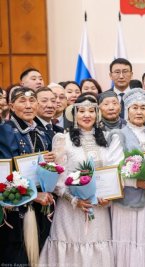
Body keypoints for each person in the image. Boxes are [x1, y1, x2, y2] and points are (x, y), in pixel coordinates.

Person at [39, 94, 124, 267]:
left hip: (98, 208)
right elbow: (58, 178)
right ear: (74, 114)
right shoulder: (63, 139)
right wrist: (75, 200)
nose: (87, 115)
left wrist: (108, 195)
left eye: (91, 111)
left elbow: (114, 171)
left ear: (97, 114)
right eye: (82, 111)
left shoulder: (108, 139)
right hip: (70, 210)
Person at [0, 87, 54, 265]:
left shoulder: (42, 132)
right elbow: (5, 175)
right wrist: (33, 195)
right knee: (17, 258)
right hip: (15, 210)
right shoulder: (5, 132)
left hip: (41, 209)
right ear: (11, 106)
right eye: (22, 101)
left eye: (32, 101)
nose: (29, 105)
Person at [110, 88, 145, 267]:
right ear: (127, 111)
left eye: (143, 108)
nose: (139, 111)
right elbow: (113, 170)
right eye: (134, 107)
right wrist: (135, 182)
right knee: (127, 240)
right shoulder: (119, 135)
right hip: (127, 198)